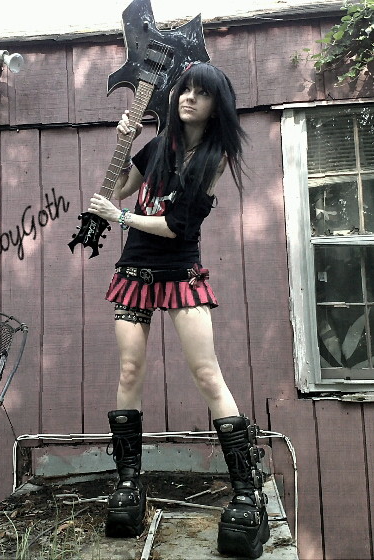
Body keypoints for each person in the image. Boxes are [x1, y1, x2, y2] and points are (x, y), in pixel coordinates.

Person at [88, 62, 270, 558]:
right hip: (134, 271)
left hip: (179, 271)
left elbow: (174, 227)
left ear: (216, 104)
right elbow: (116, 190)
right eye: (184, 90)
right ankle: (129, 484)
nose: (188, 98)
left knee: (207, 374)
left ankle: (247, 492)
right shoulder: (158, 146)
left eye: (201, 93)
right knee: (129, 370)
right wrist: (123, 141)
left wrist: (120, 217)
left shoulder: (213, 158)